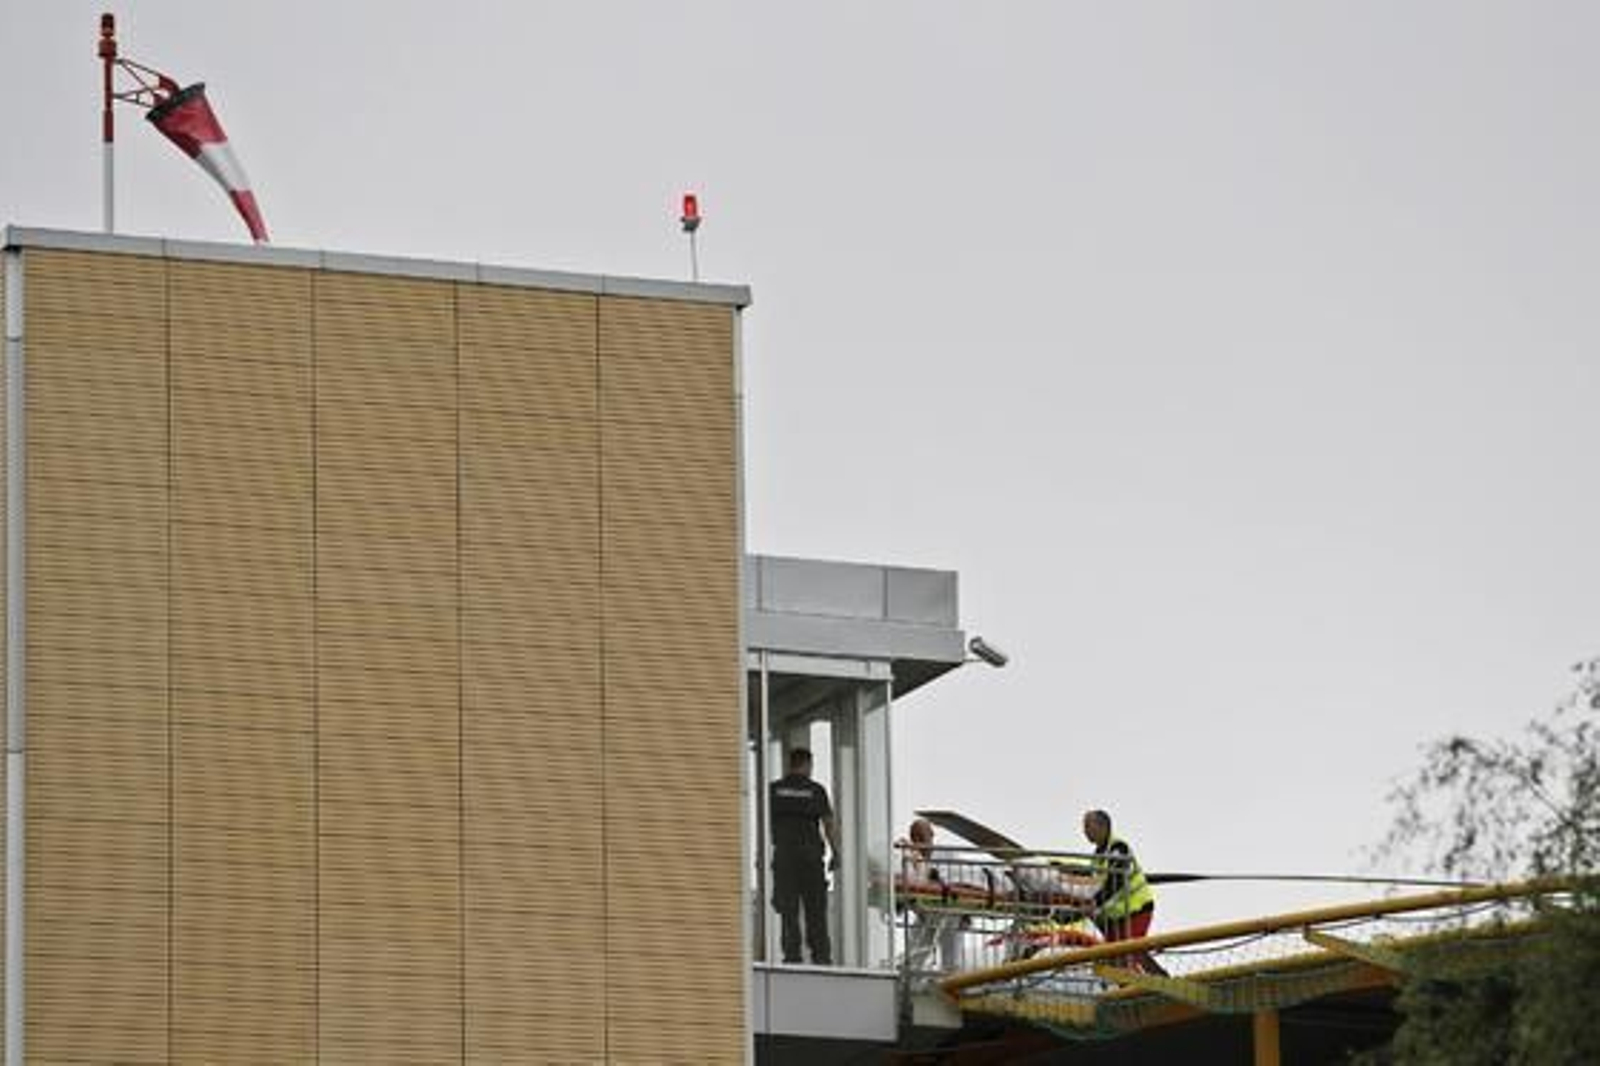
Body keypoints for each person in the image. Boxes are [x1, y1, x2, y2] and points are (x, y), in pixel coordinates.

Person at [769, 747, 837, 965]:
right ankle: (821, 957)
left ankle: (792, 957)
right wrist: (837, 852)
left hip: (785, 858)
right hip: (810, 858)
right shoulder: (816, 790)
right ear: (807, 765)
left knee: (788, 910)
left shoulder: (774, 789)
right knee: (815, 910)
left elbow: (764, 822)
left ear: (790, 764)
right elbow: (828, 825)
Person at [1081, 808, 1167, 975]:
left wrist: (1094, 903)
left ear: (1102, 826)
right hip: (1117, 917)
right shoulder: (1097, 857)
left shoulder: (1119, 849)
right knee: (1119, 957)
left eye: (1087, 826)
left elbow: (1115, 882)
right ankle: (1158, 979)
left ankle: (1139, 992)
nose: (1084, 831)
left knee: (1123, 959)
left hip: (1136, 909)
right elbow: (1094, 886)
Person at [898, 818, 964, 972]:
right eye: (915, 838)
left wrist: (966, 914)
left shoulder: (947, 855)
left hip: (950, 911)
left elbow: (960, 884)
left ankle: (951, 981)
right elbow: (912, 887)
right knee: (915, 950)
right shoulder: (912, 859)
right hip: (927, 912)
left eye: (922, 837)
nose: (918, 842)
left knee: (951, 955)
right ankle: (909, 977)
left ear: (932, 836)